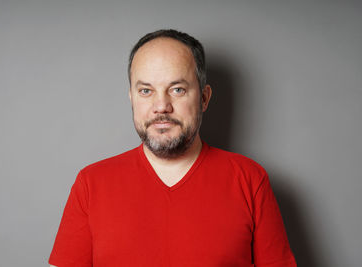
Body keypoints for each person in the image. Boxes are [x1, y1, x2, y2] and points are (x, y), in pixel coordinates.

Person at [49, 29, 297, 267]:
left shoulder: (250, 180)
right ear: (132, 98)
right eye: (146, 91)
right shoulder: (91, 184)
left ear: (204, 98)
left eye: (177, 90)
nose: (161, 106)